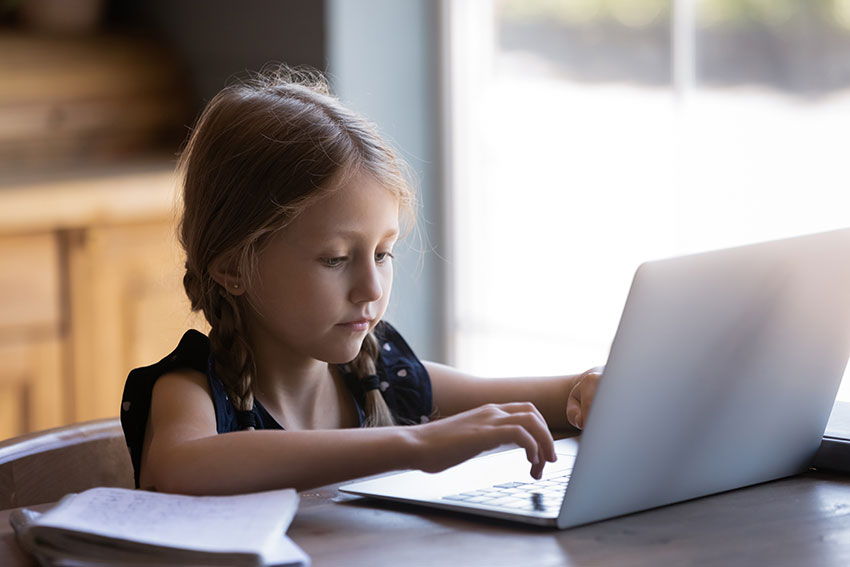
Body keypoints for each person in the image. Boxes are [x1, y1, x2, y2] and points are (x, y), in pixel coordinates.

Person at [120, 66, 602, 495]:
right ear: (232, 267)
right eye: (334, 259)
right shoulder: (193, 389)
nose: (372, 289)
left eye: (382, 253)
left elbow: (547, 403)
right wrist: (413, 443)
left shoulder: (381, 373)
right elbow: (180, 467)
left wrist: (587, 389)